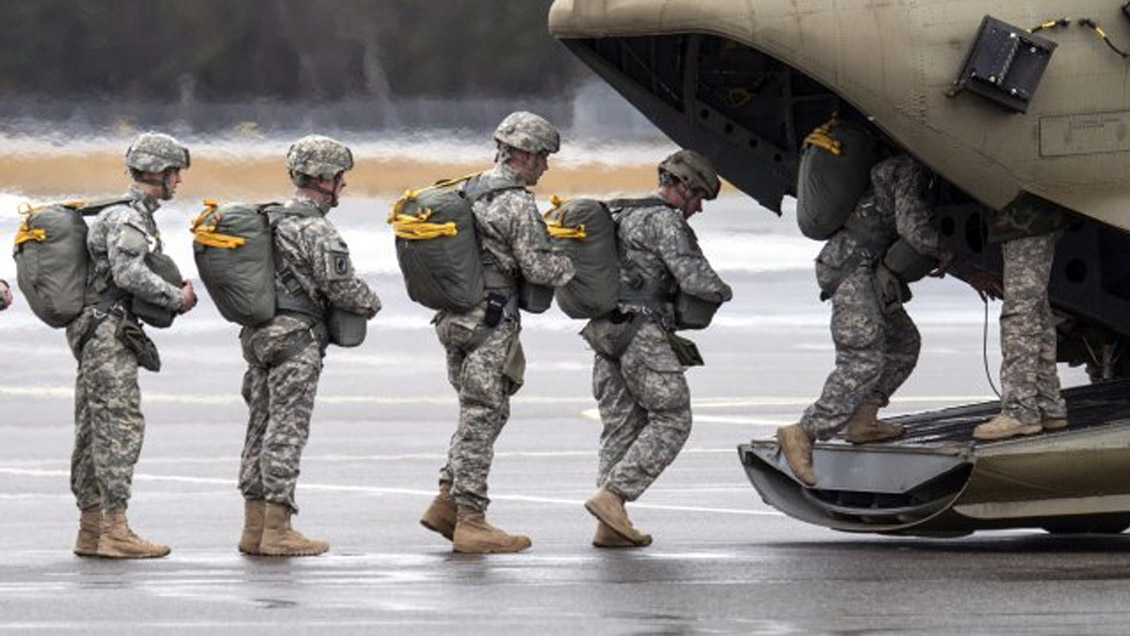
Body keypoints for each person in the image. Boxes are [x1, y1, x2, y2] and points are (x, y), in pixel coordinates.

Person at [776, 153, 1000, 486]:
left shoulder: (912, 170)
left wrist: (968, 274)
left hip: (865, 270)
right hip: (851, 268)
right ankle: (804, 432)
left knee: (903, 342)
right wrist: (950, 256)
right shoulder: (906, 168)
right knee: (862, 358)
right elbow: (915, 231)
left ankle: (863, 420)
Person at [418, 112, 574, 554]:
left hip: (454, 319)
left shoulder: (466, 189)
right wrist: (572, 263)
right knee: (483, 415)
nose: (545, 166)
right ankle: (471, 520)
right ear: (522, 154)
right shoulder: (514, 202)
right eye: (542, 156)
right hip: (488, 320)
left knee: (479, 412)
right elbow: (538, 267)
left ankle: (447, 502)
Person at [579, 149, 732, 548]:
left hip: (605, 331)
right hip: (641, 331)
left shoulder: (620, 212)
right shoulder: (665, 221)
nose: (698, 208)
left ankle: (609, 524)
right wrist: (723, 291)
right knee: (673, 418)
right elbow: (695, 279)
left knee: (620, 426)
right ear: (683, 187)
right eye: (699, 198)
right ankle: (613, 496)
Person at [237, 135, 380, 557]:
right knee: (287, 430)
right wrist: (371, 302)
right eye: (339, 177)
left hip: (259, 337)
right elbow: (342, 287)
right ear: (323, 179)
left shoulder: (269, 220)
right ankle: (278, 529)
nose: (343, 185)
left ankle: (254, 528)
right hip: (296, 341)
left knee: (259, 429)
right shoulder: (316, 228)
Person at [67, 132, 197, 558]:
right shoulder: (128, 217)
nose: (178, 181)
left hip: (95, 329)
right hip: (108, 331)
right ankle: (115, 531)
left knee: (93, 429)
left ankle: (92, 530)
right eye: (175, 173)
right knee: (119, 427)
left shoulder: (120, 213)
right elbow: (129, 274)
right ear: (159, 173)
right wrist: (176, 297)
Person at [973, 193, 1069, 440]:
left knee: (1020, 314)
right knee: (1037, 313)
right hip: (1028, 220)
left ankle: (1020, 412)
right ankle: (1048, 406)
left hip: (1026, 219)